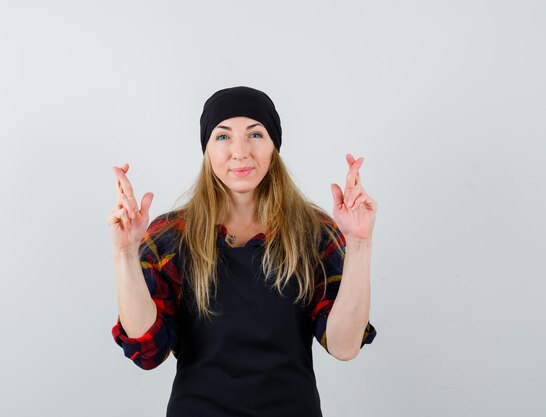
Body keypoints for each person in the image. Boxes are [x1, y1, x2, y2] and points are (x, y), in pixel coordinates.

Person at [107, 86, 378, 417]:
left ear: (274, 146)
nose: (240, 151)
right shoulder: (170, 237)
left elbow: (344, 345)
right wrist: (125, 252)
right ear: (206, 149)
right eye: (222, 137)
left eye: (255, 134)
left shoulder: (314, 232)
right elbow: (148, 351)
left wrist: (361, 242)